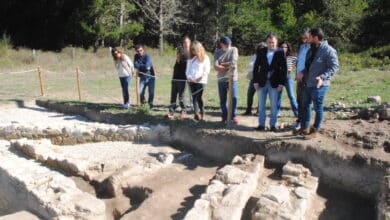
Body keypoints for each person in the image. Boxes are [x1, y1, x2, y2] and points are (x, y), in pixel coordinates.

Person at [296, 27, 339, 139]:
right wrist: (302, 72)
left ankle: (315, 130)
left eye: (309, 36)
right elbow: (308, 66)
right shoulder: (311, 49)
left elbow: (334, 67)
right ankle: (305, 128)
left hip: (320, 85)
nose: (307, 38)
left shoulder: (328, 50)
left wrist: (323, 77)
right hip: (308, 83)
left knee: (318, 107)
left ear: (315, 37)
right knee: (305, 105)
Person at [253, 33, 287, 132]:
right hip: (262, 82)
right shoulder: (261, 51)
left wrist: (281, 83)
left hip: (275, 83)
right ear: (266, 42)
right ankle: (261, 125)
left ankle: (273, 125)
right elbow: (256, 67)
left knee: (273, 105)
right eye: (269, 42)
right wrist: (255, 82)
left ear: (276, 42)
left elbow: (284, 69)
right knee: (261, 105)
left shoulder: (280, 52)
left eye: (273, 42)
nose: (271, 44)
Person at [214, 36, 239, 124]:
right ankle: (224, 116)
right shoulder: (217, 52)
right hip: (221, 79)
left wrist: (222, 65)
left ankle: (234, 116)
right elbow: (216, 66)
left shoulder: (234, 49)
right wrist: (226, 66)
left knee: (234, 97)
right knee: (223, 100)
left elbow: (233, 63)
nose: (228, 45)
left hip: (232, 78)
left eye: (229, 44)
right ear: (221, 44)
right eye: (226, 44)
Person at [167, 35, 191, 119]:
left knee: (181, 96)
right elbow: (177, 61)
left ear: (190, 43)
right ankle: (171, 111)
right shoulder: (180, 50)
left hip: (183, 77)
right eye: (184, 42)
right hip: (175, 76)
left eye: (187, 42)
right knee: (173, 95)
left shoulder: (191, 52)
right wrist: (178, 56)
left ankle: (183, 111)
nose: (185, 44)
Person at [186, 41, 210, 121]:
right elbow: (187, 70)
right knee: (194, 98)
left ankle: (202, 112)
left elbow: (207, 70)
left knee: (198, 97)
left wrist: (201, 76)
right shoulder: (190, 58)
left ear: (198, 49)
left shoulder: (205, 58)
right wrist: (189, 77)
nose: (193, 52)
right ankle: (196, 114)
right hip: (191, 81)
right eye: (192, 50)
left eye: (194, 50)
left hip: (201, 81)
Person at [276, 41, 298, 122]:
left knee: (291, 96)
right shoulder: (277, 56)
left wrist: (296, 73)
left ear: (288, 48)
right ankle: (277, 112)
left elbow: (298, 65)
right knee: (278, 96)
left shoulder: (292, 57)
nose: (283, 48)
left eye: (285, 47)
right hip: (279, 78)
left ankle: (297, 113)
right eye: (281, 47)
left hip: (288, 78)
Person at [294, 29, 311, 130]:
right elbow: (299, 61)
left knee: (305, 101)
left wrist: (302, 73)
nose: (304, 39)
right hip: (299, 77)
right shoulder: (301, 47)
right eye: (303, 37)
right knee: (299, 100)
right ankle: (299, 121)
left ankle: (305, 124)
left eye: (306, 37)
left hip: (307, 77)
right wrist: (297, 74)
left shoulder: (312, 48)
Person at [244, 42, 267, 115]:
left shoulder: (267, 56)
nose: (261, 49)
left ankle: (259, 111)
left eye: (263, 48)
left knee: (261, 94)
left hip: (263, 78)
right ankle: (248, 110)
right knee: (250, 94)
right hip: (254, 77)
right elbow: (250, 65)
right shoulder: (255, 56)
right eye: (260, 48)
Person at [134, 44, 155, 109]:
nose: (139, 52)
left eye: (141, 50)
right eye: (138, 51)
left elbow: (147, 67)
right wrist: (142, 66)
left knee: (151, 93)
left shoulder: (147, 56)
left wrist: (139, 66)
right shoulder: (136, 56)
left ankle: (150, 105)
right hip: (142, 77)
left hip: (150, 77)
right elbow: (135, 65)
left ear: (143, 50)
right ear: (136, 51)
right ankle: (144, 104)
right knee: (140, 93)